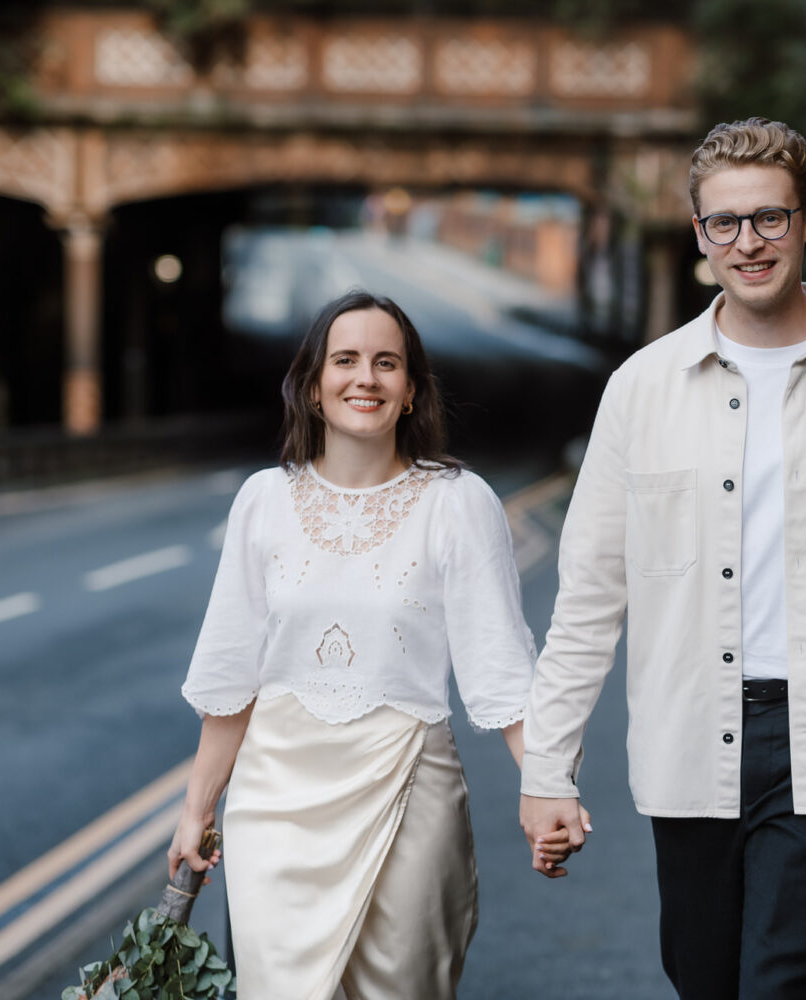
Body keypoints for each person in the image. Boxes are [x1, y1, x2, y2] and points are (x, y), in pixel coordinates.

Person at [518, 118, 806, 998]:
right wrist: (548, 767)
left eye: (769, 218)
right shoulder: (642, 389)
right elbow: (589, 597)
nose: (748, 243)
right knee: (704, 982)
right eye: (725, 223)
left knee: (783, 989)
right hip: (687, 737)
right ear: (699, 234)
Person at [169, 290, 581, 1000]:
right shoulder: (263, 501)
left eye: (386, 363)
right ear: (313, 386)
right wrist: (196, 809)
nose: (366, 378)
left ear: (412, 392)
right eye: (347, 361)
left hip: (409, 793)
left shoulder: (459, 503)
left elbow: (503, 672)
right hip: (275, 806)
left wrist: (548, 785)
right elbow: (232, 677)